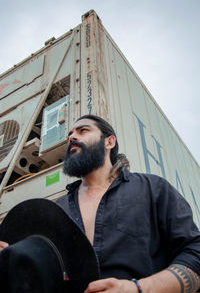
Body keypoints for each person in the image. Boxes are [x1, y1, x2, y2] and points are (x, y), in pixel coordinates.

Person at [1, 114, 200, 293]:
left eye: (83, 130)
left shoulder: (153, 189)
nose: (71, 137)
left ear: (109, 142)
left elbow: (195, 252)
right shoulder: (56, 210)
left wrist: (138, 288)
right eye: (70, 134)